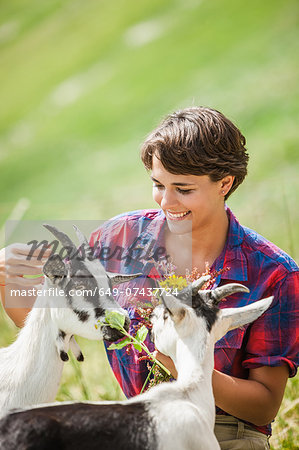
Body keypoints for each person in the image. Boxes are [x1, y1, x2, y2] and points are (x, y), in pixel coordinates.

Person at [1, 107, 298, 449]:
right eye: (158, 185)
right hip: (135, 425)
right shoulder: (119, 237)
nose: (166, 202)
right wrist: (9, 282)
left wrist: (181, 363)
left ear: (225, 183)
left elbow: (263, 406)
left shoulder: (274, 273)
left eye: (183, 189)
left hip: (223, 431)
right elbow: (53, 325)